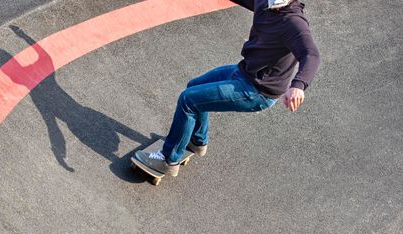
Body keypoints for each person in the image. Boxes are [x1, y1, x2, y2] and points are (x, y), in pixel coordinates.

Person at [135, 0, 321, 177]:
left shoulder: (294, 23)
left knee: (188, 100)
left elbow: (311, 54)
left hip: (257, 91)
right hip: (243, 71)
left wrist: (298, 86)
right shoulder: (266, 2)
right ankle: (197, 140)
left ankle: (168, 160)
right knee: (194, 87)